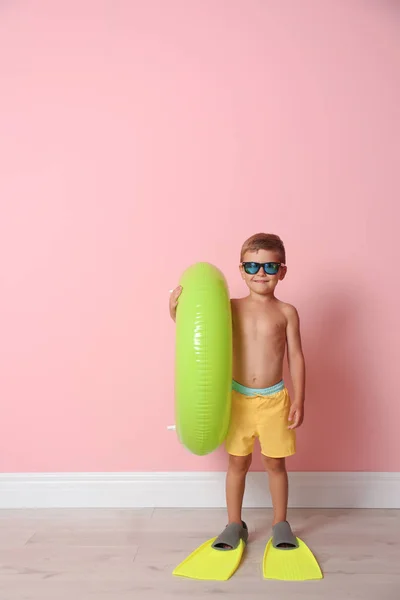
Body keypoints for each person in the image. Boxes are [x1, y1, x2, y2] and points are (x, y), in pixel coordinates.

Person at [169, 232, 305, 550]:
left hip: (275, 400)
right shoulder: (229, 309)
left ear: (282, 271)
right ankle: (234, 523)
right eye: (253, 266)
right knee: (237, 463)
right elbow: (197, 329)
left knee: (275, 464)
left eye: (270, 267)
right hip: (238, 400)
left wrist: (299, 397)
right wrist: (176, 310)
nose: (261, 273)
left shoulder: (287, 312)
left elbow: (296, 356)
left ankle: (280, 523)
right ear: (241, 270)